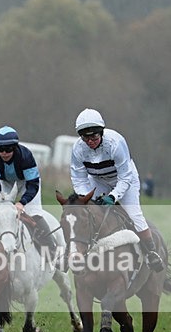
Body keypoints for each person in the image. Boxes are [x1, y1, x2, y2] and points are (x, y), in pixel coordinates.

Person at [69, 108, 164, 272]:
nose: (90, 141)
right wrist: (86, 199)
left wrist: (113, 197)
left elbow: (125, 177)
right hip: (98, 180)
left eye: (94, 136)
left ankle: (151, 253)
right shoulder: (77, 149)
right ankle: (73, 253)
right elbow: (78, 179)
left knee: (134, 215)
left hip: (125, 179)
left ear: (101, 133)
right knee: (84, 214)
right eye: (85, 137)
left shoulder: (116, 143)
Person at [0, 125, 57, 253]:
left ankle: (51, 249)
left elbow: (33, 184)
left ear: (15, 147)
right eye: (0, 149)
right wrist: (0, 200)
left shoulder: (26, 156)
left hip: (26, 183)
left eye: (8, 149)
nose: (4, 153)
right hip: (5, 183)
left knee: (34, 213)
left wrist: (22, 202)